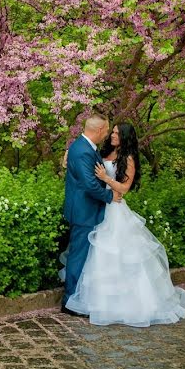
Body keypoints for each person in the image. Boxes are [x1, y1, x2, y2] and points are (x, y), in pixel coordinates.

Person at [62, 122, 185, 326]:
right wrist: (70, 159)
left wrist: (106, 179)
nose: (112, 135)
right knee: (94, 254)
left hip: (114, 206)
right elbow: (85, 167)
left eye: (117, 134)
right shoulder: (102, 152)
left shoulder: (128, 158)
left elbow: (125, 188)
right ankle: (87, 298)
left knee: (118, 256)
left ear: (126, 137)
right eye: (111, 132)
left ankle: (119, 302)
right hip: (99, 206)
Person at [59, 114, 121, 317]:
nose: (107, 134)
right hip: (83, 211)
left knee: (82, 254)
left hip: (85, 209)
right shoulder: (83, 151)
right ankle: (69, 302)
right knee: (78, 255)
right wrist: (109, 196)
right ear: (99, 130)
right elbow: (89, 184)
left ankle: (78, 297)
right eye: (106, 130)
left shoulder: (82, 147)